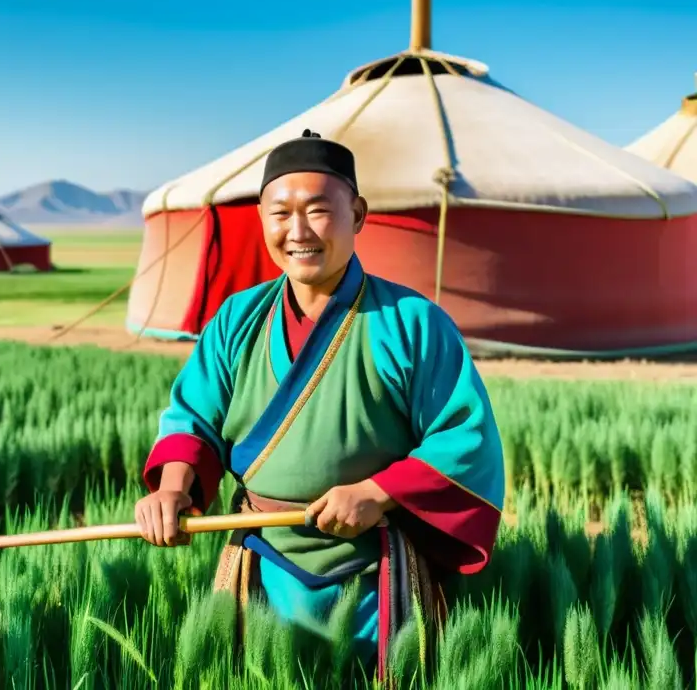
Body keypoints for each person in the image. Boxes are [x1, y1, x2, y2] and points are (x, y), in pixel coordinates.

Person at [134, 129, 505, 681]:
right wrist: (172, 488)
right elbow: (194, 416)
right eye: (280, 213)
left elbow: (464, 435)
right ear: (261, 220)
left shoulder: (413, 322)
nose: (298, 231)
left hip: (374, 565)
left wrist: (376, 492)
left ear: (357, 214)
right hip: (262, 559)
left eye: (318, 211)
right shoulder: (238, 319)